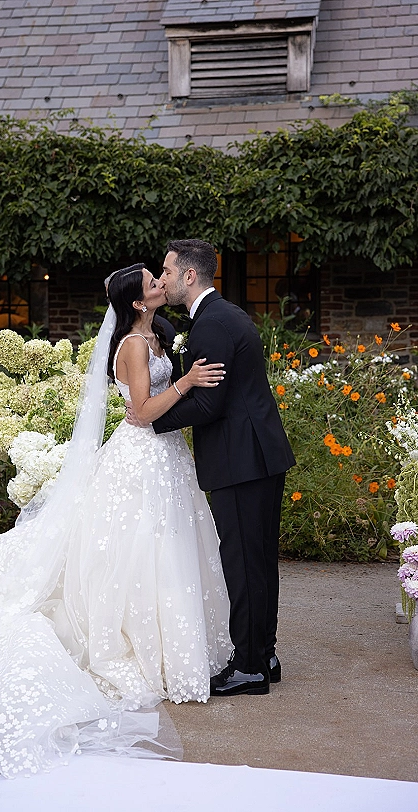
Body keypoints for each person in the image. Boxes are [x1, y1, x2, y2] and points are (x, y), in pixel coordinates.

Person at [0, 262, 231, 778]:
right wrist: (190, 381)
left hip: (165, 460)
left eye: (158, 276)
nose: (160, 284)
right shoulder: (130, 346)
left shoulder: (160, 336)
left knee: (167, 549)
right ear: (137, 302)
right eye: (152, 282)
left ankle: (175, 647)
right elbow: (142, 411)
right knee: (137, 551)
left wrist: (185, 371)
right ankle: (134, 647)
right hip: (140, 456)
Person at [135, 239, 295, 697]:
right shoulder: (222, 316)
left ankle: (248, 667)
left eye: (167, 270)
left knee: (244, 563)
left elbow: (209, 403)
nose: (161, 278)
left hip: (240, 461)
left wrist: (152, 419)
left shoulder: (212, 326)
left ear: (189, 275)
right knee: (259, 560)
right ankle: (262, 652)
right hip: (255, 456)